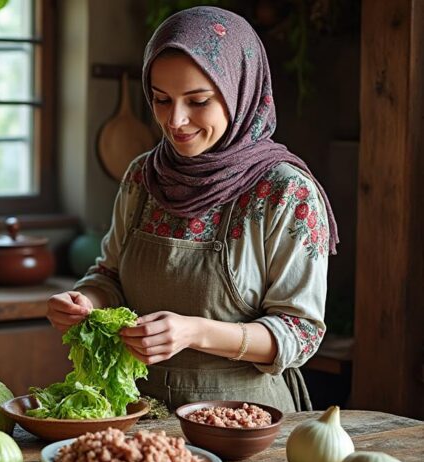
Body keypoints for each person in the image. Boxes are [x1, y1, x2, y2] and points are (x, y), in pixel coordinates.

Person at [47, 6, 338, 413]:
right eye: (161, 100)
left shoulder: (285, 192)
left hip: (244, 421)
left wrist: (195, 332)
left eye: (198, 100)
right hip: (140, 415)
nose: (176, 120)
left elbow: (301, 333)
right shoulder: (142, 177)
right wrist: (86, 301)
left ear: (240, 90)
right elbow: (110, 276)